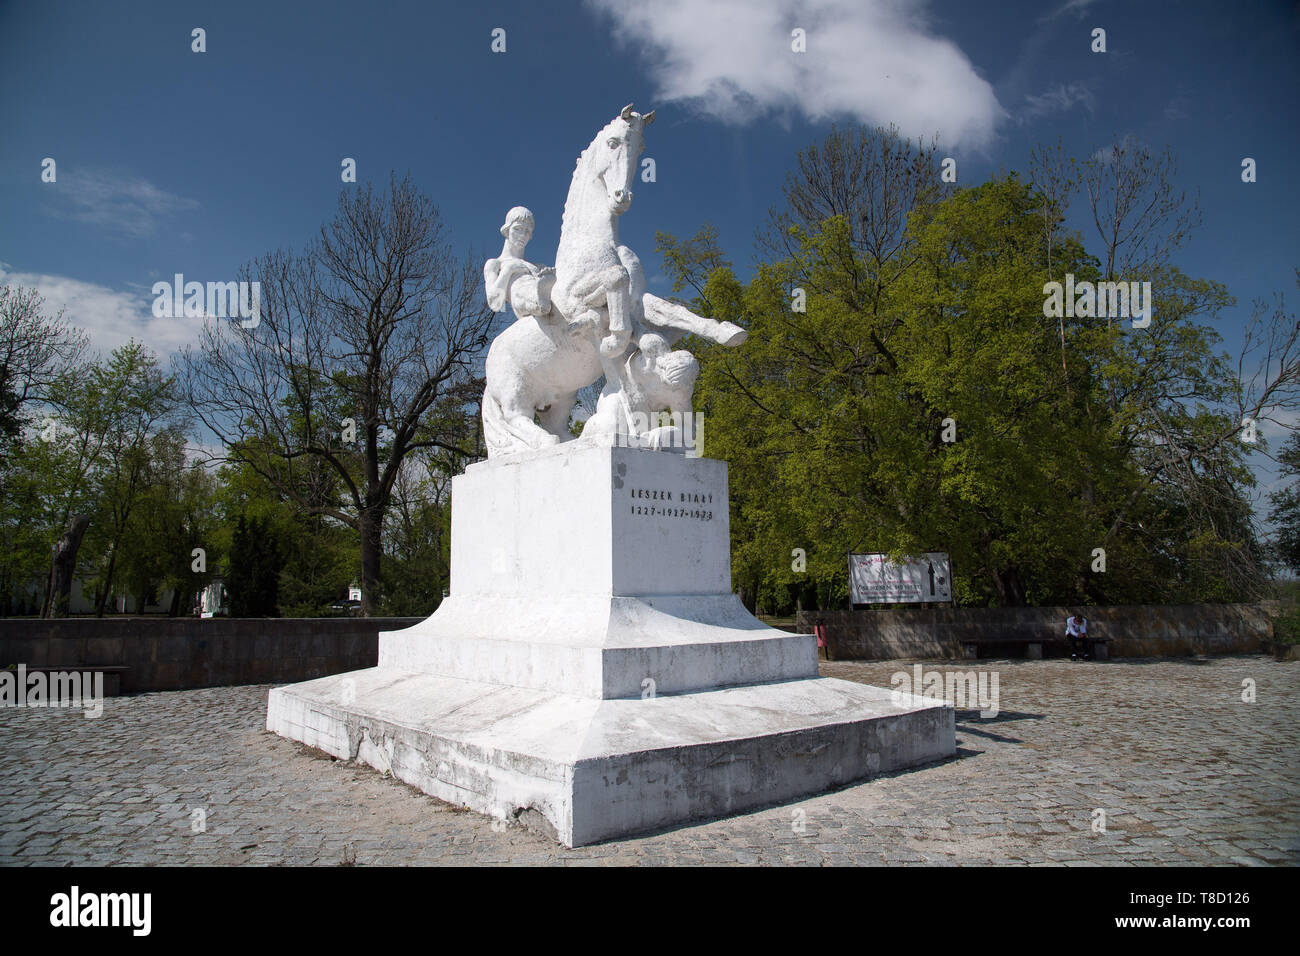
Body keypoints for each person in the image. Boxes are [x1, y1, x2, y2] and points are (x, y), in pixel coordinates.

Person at [483, 206, 555, 318]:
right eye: (517, 229)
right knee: (521, 291)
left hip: (547, 301)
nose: (522, 235)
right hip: (522, 301)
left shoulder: (538, 266)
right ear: (507, 230)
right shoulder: (496, 264)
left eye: (527, 231)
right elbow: (495, 303)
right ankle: (537, 300)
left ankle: (541, 295)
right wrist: (508, 270)